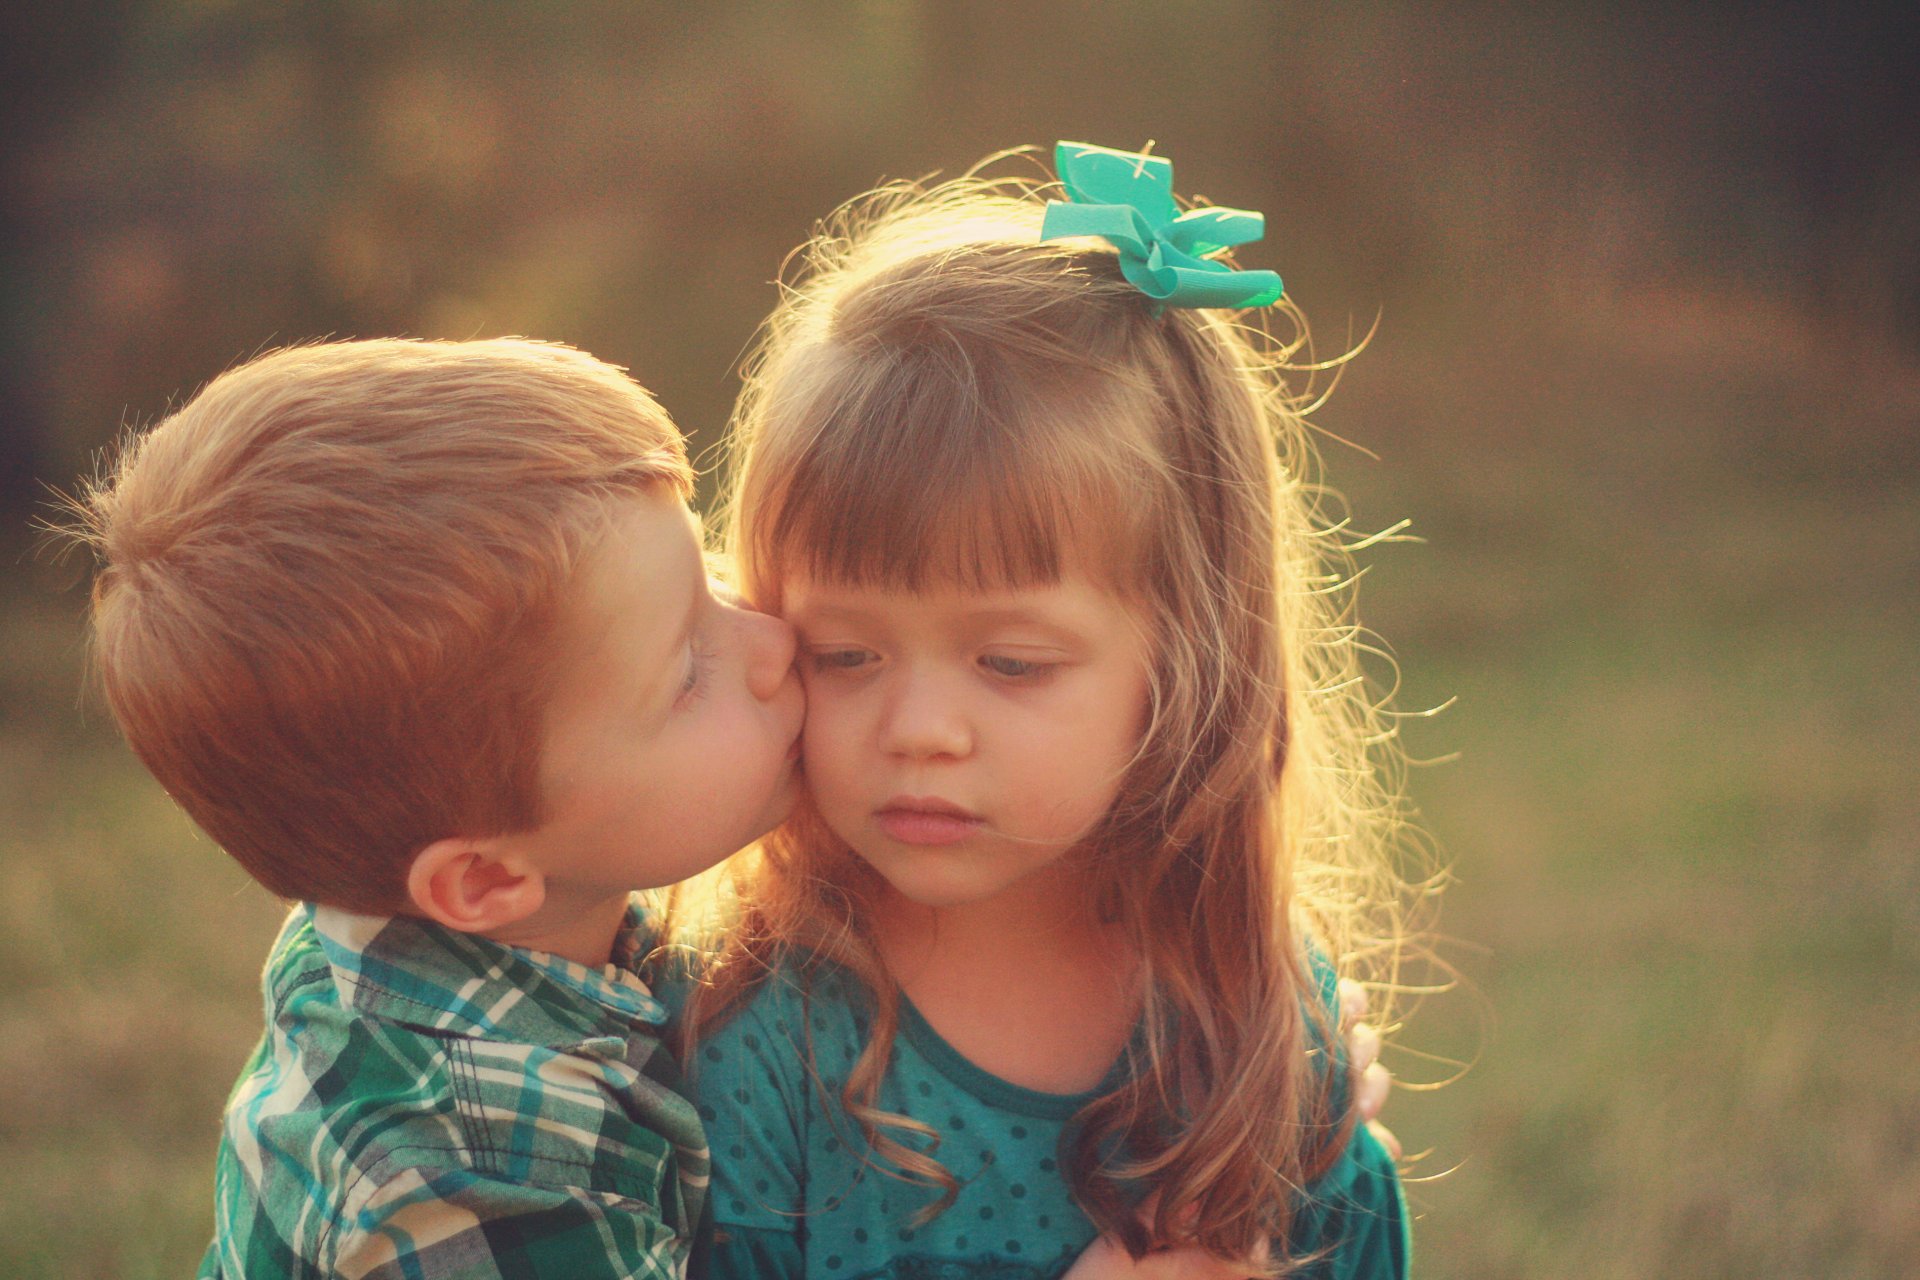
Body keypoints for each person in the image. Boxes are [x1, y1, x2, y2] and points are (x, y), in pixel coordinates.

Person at [674, 142, 1420, 1278]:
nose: (920, 726)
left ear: (1188, 665)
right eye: (846, 651)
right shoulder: (752, 1031)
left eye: (1012, 662)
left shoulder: (1255, 1014)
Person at [64, 337, 805, 1279]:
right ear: (486, 877)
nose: (774, 639)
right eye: (688, 671)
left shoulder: (417, 913)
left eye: (707, 572)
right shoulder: (469, 1176)